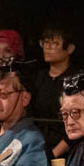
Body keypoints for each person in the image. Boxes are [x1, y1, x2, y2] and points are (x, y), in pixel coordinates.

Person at [32, 24, 80, 158]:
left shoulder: (76, 79)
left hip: (66, 150)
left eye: (54, 43)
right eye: (45, 42)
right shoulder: (38, 77)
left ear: (70, 48)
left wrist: (53, 155)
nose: (48, 47)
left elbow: (79, 124)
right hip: (36, 145)